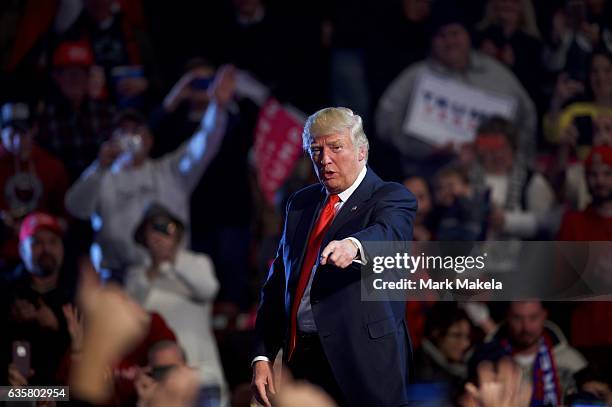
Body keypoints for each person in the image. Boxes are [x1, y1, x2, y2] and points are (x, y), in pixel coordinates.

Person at [251, 107, 417, 406]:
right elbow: (278, 286)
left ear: (361, 151)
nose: (324, 159)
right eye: (316, 150)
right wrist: (262, 355)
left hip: (362, 362)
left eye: (336, 147)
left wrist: (354, 245)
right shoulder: (300, 204)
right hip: (302, 360)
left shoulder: (390, 196)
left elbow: (390, 234)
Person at [64, 65, 236, 278]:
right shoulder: (102, 176)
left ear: (149, 139)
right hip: (117, 280)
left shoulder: (171, 171)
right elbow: (75, 207)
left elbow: (204, 143)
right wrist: (99, 166)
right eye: (123, 131)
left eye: (136, 130)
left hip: (168, 276)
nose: (131, 137)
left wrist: (217, 108)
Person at [376, 1, 536, 176]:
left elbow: (527, 117)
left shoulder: (497, 73)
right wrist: (422, 149)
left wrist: (508, 153)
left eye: (455, 33)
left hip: (495, 175)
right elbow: (384, 121)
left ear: (468, 36)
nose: (450, 41)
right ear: (432, 42)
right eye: (442, 35)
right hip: (432, 177)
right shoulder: (416, 76)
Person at [125, 203, 227, 401]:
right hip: (161, 373)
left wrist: (172, 260)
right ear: (144, 235)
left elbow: (209, 289)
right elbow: (132, 311)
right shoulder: (136, 274)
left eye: (166, 227)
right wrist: (155, 267)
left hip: (202, 368)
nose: (160, 234)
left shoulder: (196, 262)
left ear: (177, 233)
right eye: (154, 228)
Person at [470, 301, 587, 406]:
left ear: (544, 315)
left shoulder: (571, 362)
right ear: (507, 316)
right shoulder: (484, 359)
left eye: (533, 317)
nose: (526, 327)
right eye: (517, 318)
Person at [2, 212, 72, 386]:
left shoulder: (78, 294)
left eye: (52, 241)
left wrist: (58, 325)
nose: (46, 249)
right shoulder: (6, 292)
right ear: (21, 250)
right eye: (36, 243)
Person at [0, 102, 69, 271]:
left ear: (34, 130)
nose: (17, 140)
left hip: (42, 254)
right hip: (4, 255)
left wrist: (48, 225)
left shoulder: (51, 166)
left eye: (23, 132)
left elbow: (65, 216)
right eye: (12, 132)